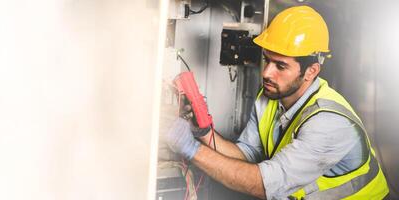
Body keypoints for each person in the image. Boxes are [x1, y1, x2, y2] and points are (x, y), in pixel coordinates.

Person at [164, 5, 389, 199]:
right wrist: (203, 133)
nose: (267, 73)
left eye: (280, 66)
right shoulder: (269, 97)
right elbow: (247, 156)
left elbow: (264, 185)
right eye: (267, 60)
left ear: (311, 71)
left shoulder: (329, 123)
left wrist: (190, 148)